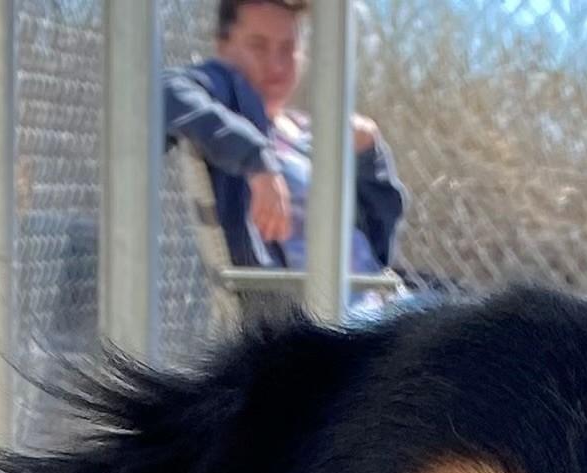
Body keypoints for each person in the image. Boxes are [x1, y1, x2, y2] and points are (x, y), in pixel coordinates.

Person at [164, 0, 406, 279]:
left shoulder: (309, 131)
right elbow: (166, 91)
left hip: (377, 297)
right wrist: (256, 162)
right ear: (223, 46)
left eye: (288, 49)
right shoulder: (234, 107)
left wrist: (369, 159)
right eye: (258, 45)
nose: (275, 64)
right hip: (318, 315)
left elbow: (379, 243)